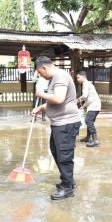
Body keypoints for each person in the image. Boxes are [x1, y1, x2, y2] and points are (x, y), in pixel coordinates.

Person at [32, 56, 80, 200]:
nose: (41, 76)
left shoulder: (59, 76)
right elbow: (58, 101)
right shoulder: (55, 78)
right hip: (59, 123)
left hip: (66, 123)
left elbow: (59, 99)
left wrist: (41, 93)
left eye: (40, 73)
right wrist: (42, 107)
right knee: (56, 151)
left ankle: (67, 188)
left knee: (64, 155)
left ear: (44, 68)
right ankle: (68, 181)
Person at [76, 71, 102, 147]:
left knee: (88, 121)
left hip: (94, 105)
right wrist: (83, 106)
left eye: (78, 77)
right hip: (94, 105)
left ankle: (95, 139)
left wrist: (78, 100)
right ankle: (88, 137)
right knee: (90, 121)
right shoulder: (86, 84)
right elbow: (88, 98)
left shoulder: (85, 84)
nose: (77, 79)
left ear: (83, 77)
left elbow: (85, 96)